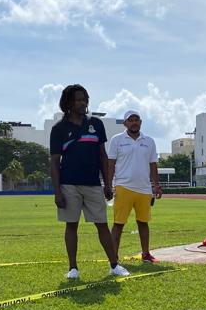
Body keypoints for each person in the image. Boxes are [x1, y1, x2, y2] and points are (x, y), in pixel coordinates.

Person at [49, 84, 129, 280]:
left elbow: (102, 156)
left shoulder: (96, 124)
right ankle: (73, 268)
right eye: (78, 99)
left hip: (93, 183)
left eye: (85, 99)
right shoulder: (59, 129)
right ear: (68, 102)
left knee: (102, 224)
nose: (83, 103)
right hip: (69, 184)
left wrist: (107, 184)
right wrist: (57, 192)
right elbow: (54, 162)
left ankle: (114, 265)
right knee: (71, 225)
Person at [107, 109, 161, 262]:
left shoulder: (149, 141)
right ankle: (113, 257)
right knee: (118, 224)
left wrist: (156, 185)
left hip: (144, 189)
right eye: (130, 120)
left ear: (141, 122)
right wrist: (109, 185)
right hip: (123, 187)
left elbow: (153, 164)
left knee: (143, 222)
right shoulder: (116, 140)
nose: (134, 122)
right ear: (125, 123)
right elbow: (111, 163)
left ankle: (146, 254)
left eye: (136, 120)